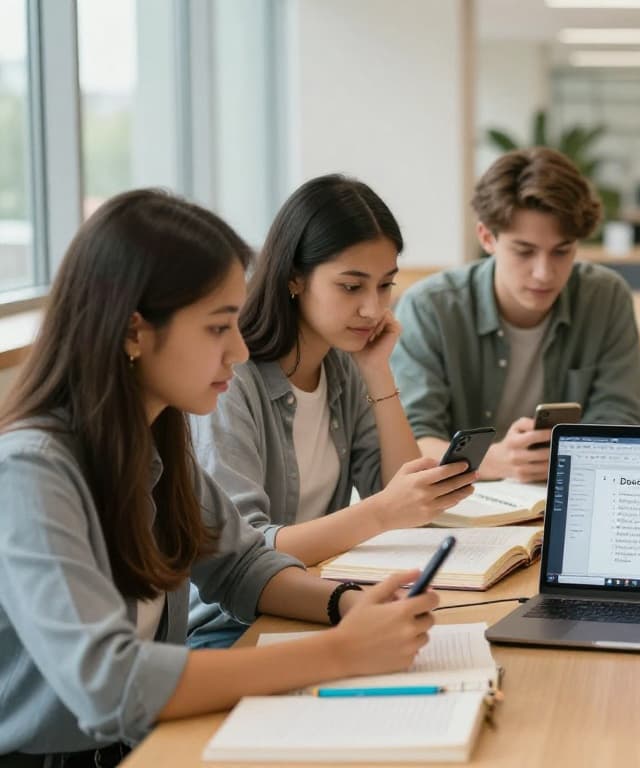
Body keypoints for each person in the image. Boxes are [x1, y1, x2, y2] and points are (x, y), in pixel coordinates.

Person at [0, 190, 438, 762]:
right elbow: (110, 684)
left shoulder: (157, 439)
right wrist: (340, 652)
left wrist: (347, 605)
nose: (237, 350)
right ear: (134, 332)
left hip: (136, 741)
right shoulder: (32, 470)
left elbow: (240, 564)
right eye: (217, 327)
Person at [187, 175, 475, 649]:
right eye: (350, 286)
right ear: (294, 278)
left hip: (317, 603)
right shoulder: (230, 380)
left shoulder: (343, 366)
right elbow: (246, 551)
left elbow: (404, 501)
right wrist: (381, 513)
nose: (371, 308)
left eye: (385, 286)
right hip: (230, 626)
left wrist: (378, 371)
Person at [392, 147, 640, 483]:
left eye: (562, 250)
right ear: (487, 237)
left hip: (571, 494)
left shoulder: (605, 296)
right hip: (464, 503)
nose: (544, 273)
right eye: (524, 251)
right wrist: (490, 462)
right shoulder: (430, 308)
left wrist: (566, 457)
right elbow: (409, 445)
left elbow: (622, 422)